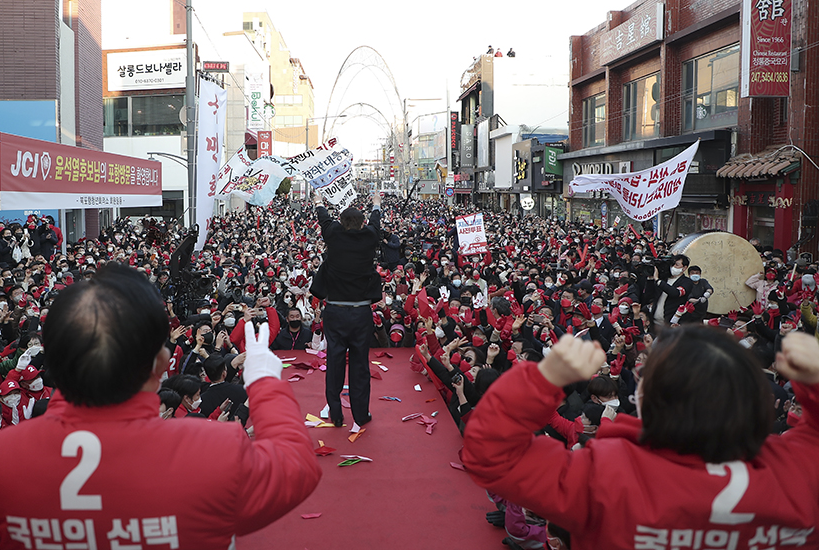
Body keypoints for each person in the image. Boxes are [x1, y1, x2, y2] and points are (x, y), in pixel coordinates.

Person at [0, 262, 321, 550]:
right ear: (160, 367)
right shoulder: (214, 448)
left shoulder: (0, 459)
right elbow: (296, 464)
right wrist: (265, 381)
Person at [461, 327, 819, 549]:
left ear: (646, 401)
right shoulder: (798, 477)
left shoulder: (605, 477)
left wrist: (543, 379)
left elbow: (489, 453)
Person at [315, 191, 382, 429]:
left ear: (341, 224)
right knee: (360, 364)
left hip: (335, 311)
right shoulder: (370, 237)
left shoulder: (334, 236)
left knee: (334, 361)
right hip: (361, 312)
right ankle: (361, 414)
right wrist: (376, 204)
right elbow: (376, 222)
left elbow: (324, 220)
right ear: (362, 224)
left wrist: (319, 202)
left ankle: (336, 413)